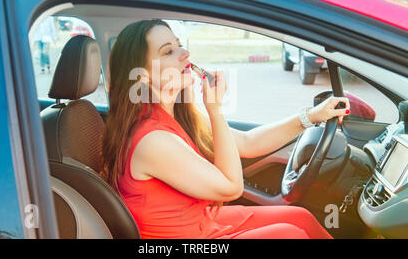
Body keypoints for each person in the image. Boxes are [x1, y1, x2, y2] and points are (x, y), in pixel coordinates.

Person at [101, 19, 350, 239]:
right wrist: (215, 109)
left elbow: (248, 142)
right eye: (168, 51)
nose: (185, 53)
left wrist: (311, 116)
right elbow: (231, 187)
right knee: (290, 235)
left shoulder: (176, 115)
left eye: (179, 44)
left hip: (202, 224)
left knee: (300, 218)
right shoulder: (152, 139)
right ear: (143, 76)